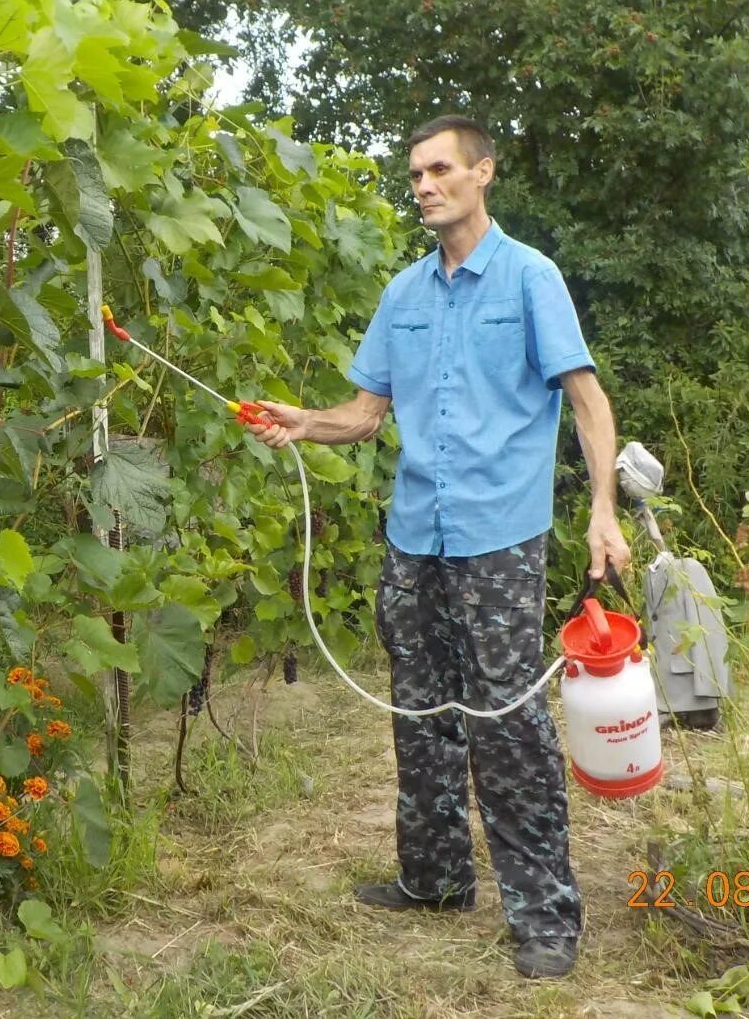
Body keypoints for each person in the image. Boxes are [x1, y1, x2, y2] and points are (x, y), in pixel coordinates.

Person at [245, 115, 630, 980]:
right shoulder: (402, 296)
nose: (423, 183)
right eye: (414, 172)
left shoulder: (531, 278)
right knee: (419, 713)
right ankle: (434, 878)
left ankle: (544, 915)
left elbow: (588, 400)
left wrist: (602, 508)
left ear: (482, 173)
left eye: (439, 168)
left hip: (501, 537)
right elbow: (365, 414)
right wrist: (304, 423)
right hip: (414, 534)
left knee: (507, 722)